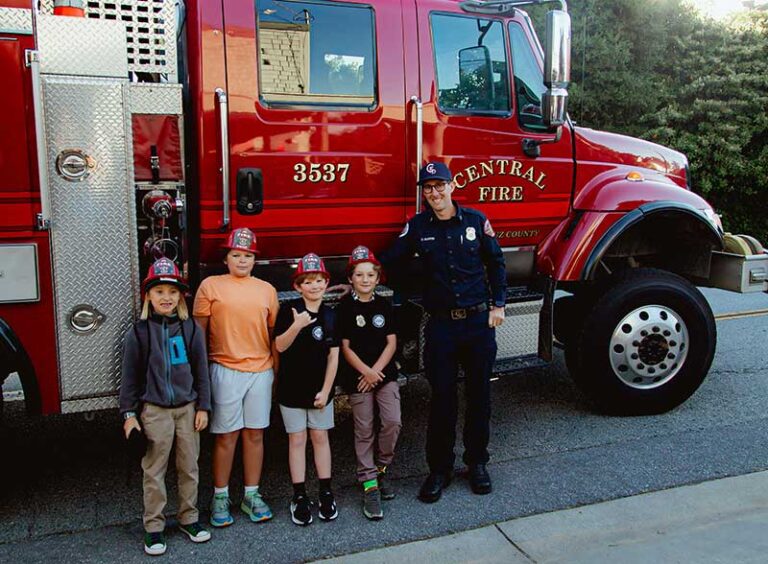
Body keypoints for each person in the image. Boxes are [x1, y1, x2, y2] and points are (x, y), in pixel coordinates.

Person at [379, 161, 506, 503]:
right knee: (442, 400)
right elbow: (392, 259)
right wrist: (361, 279)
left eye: (439, 185)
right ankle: (439, 470)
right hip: (441, 327)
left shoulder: (477, 222)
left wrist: (499, 305)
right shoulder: (418, 228)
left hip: (479, 324)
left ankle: (477, 464)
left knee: (480, 397)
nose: (433, 193)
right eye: (427, 188)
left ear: (451, 186)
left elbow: (496, 263)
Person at [120, 257, 212, 556]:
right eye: (159, 292)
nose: (166, 298)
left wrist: (203, 407)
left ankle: (189, 518)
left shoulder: (190, 329)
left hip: (187, 408)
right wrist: (129, 414)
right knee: (154, 470)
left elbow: (202, 370)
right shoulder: (140, 332)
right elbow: (130, 378)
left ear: (180, 297)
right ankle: (154, 526)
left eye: (172, 292)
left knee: (189, 467)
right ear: (148, 295)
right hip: (154, 411)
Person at [193, 228, 279, 526]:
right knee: (226, 436)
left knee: (255, 434)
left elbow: (272, 336)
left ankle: (251, 495)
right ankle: (220, 495)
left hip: (260, 371)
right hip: (224, 369)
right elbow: (199, 334)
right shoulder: (210, 286)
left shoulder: (266, 290)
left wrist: (274, 374)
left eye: (248, 256)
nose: (242, 260)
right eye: (236, 255)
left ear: (255, 259)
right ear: (226, 258)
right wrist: (201, 376)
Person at [274, 253, 340, 526]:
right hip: (291, 390)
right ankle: (299, 495)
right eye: (307, 281)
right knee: (297, 440)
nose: (314, 286)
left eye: (318, 281)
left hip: (319, 392)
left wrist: (327, 391)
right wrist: (297, 325)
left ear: (326, 283)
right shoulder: (288, 309)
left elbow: (333, 356)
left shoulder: (331, 315)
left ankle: (325, 491)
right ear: (298, 286)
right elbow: (279, 346)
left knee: (320, 438)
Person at [337, 245, 401, 520]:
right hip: (358, 378)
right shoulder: (344, 308)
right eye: (359, 275)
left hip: (384, 375)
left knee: (392, 421)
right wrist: (365, 372)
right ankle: (369, 483)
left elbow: (392, 341)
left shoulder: (384, 305)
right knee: (364, 429)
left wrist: (375, 371)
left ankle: (381, 468)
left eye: (370, 275)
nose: (365, 280)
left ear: (378, 278)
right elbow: (345, 347)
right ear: (350, 278)